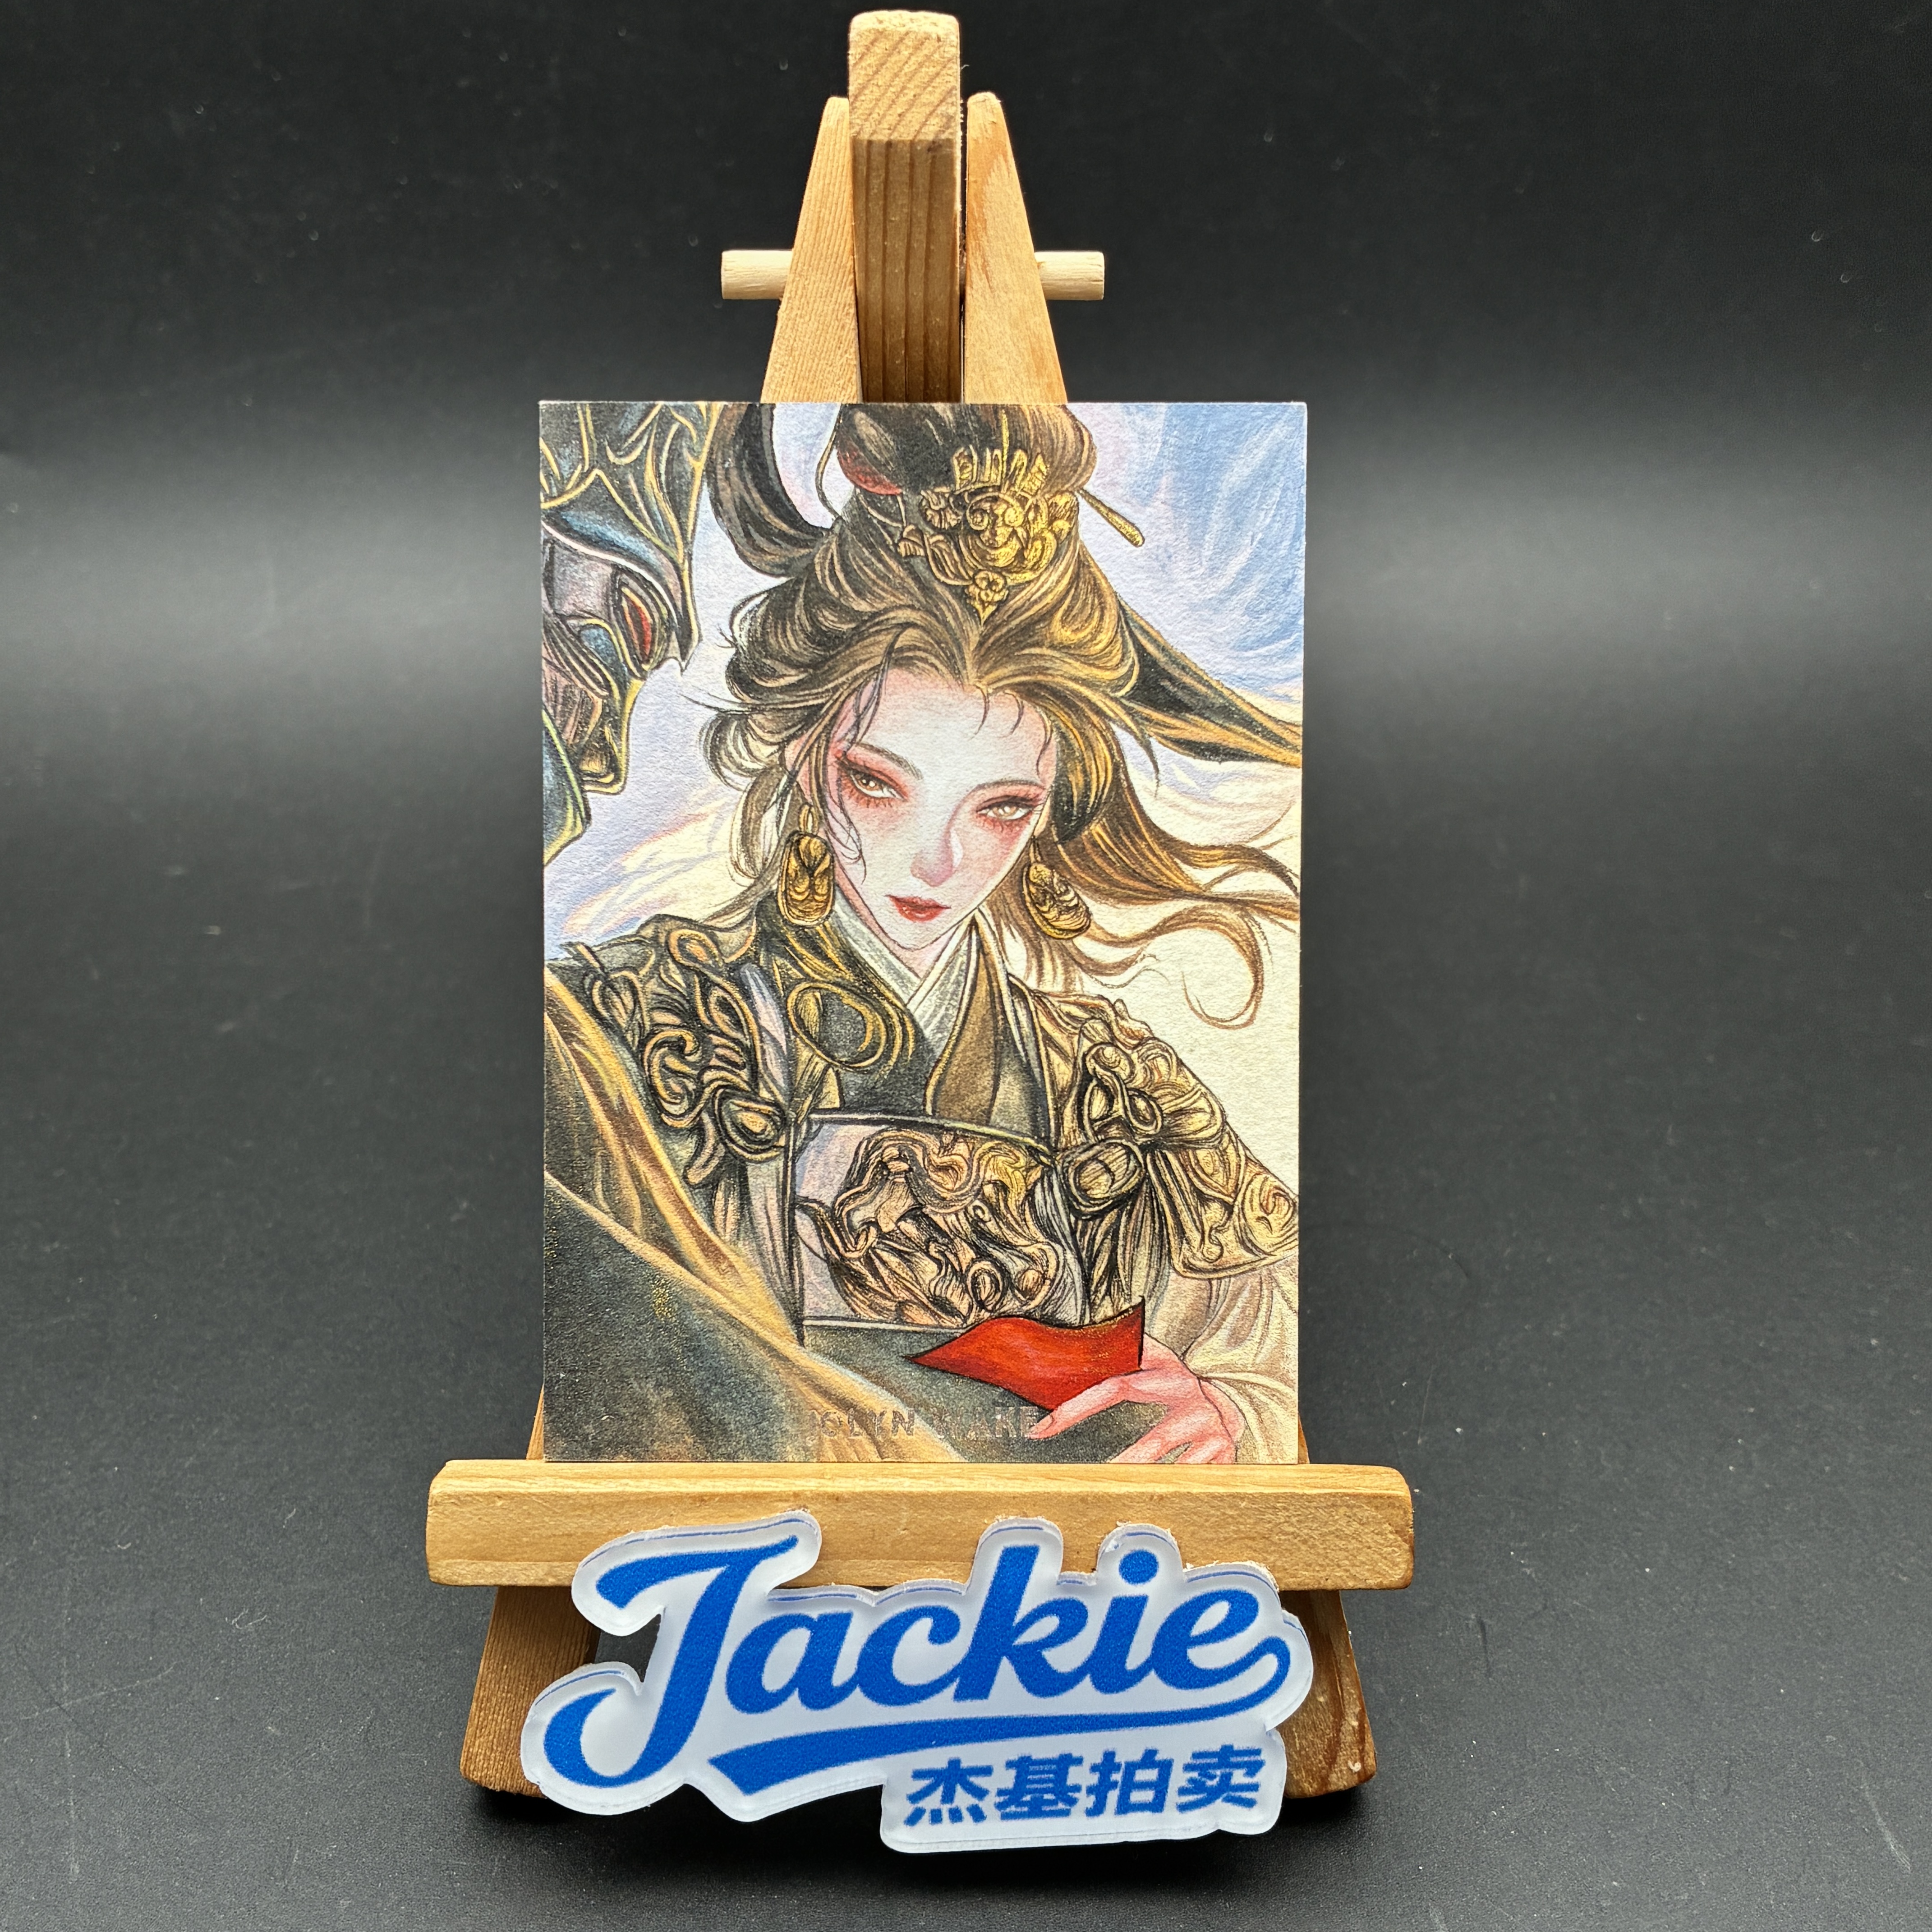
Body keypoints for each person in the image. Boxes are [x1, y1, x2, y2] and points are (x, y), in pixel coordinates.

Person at [542, 401, 1302, 1464]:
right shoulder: (622, 1031)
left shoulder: (1113, 1086)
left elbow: (1280, 1357)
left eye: (1002, 807)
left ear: (1050, 805)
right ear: (803, 750)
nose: (938, 864)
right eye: (878, 783)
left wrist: (1234, 1413)